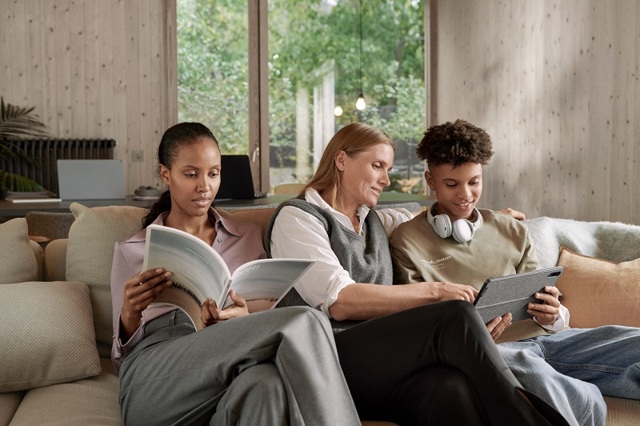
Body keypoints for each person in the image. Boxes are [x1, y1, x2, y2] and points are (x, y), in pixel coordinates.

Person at [264, 122, 570, 425]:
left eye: (388, 170)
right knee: (455, 314)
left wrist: (492, 221)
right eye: (377, 166)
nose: (386, 180)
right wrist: (437, 290)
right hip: (325, 358)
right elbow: (340, 300)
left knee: (452, 389)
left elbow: (434, 217)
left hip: (382, 364)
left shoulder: (375, 221)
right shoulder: (298, 218)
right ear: (342, 160)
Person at [389, 119, 640, 426]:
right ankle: (587, 402)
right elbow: (420, 322)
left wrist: (554, 313)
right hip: (495, 353)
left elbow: (545, 296)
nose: (465, 194)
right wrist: (476, 339)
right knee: (534, 374)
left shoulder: (510, 229)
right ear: (430, 180)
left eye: (474, 182)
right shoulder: (406, 241)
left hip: (549, 340)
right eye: (451, 184)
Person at [110, 122, 361, 425]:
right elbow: (119, 358)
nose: (205, 186)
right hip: (156, 378)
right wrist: (129, 313)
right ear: (166, 174)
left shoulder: (246, 236)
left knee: (265, 386)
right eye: (191, 174)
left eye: (213, 174)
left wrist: (243, 316)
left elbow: (268, 306)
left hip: (230, 355)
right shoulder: (131, 248)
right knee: (306, 320)